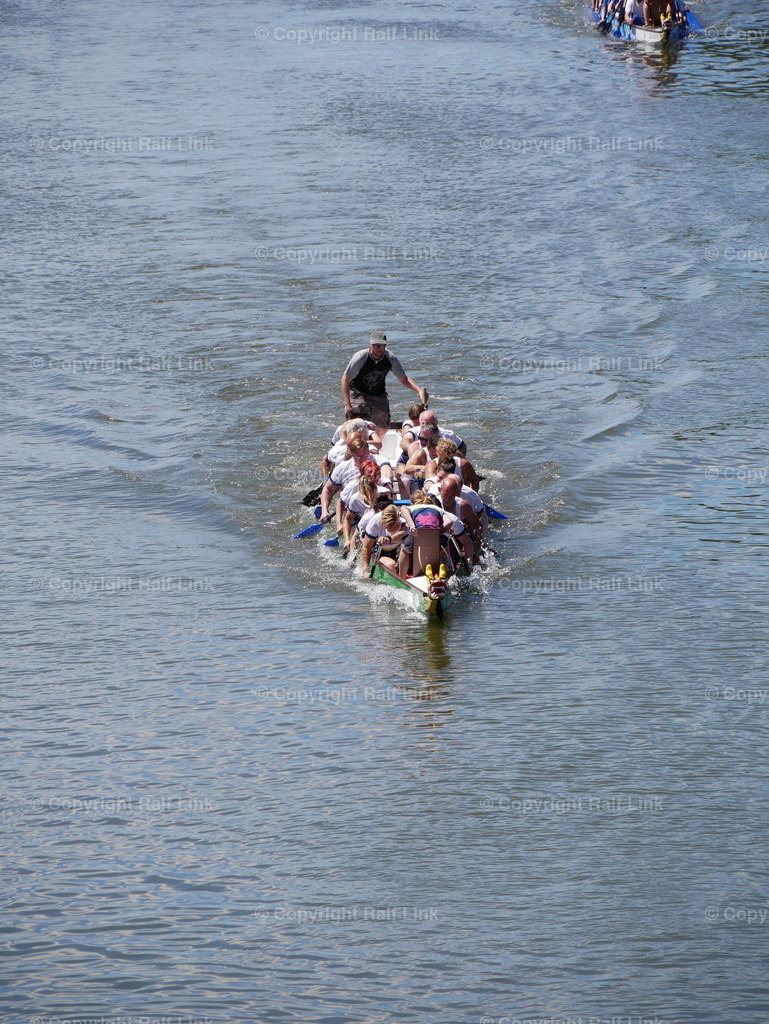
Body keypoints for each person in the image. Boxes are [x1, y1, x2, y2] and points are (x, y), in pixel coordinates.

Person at [342, 331, 429, 434]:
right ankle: (363, 445)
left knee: (383, 427)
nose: (379, 349)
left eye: (382, 346)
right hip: (359, 392)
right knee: (361, 424)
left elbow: (403, 379)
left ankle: (378, 444)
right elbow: (345, 380)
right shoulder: (360, 358)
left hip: (379, 394)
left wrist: (418, 390)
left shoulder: (390, 358)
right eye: (377, 346)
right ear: (371, 345)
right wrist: (347, 405)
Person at [360, 504, 408, 577]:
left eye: (394, 525)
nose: (392, 529)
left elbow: (404, 533)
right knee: (391, 565)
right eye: (388, 526)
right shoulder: (375, 522)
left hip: (398, 549)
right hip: (379, 551)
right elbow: (367, 547)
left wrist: (389, 539)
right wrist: (365, 569)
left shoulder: (403, 519)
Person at [400, 409, 466, 455]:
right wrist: (413, 450)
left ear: (436, 422)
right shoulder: (414, 431)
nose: (427, 426)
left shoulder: (446, 434)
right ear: (419, 422)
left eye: (430, 423)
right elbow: (404, 442)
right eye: (423, 423)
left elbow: (461, 445)